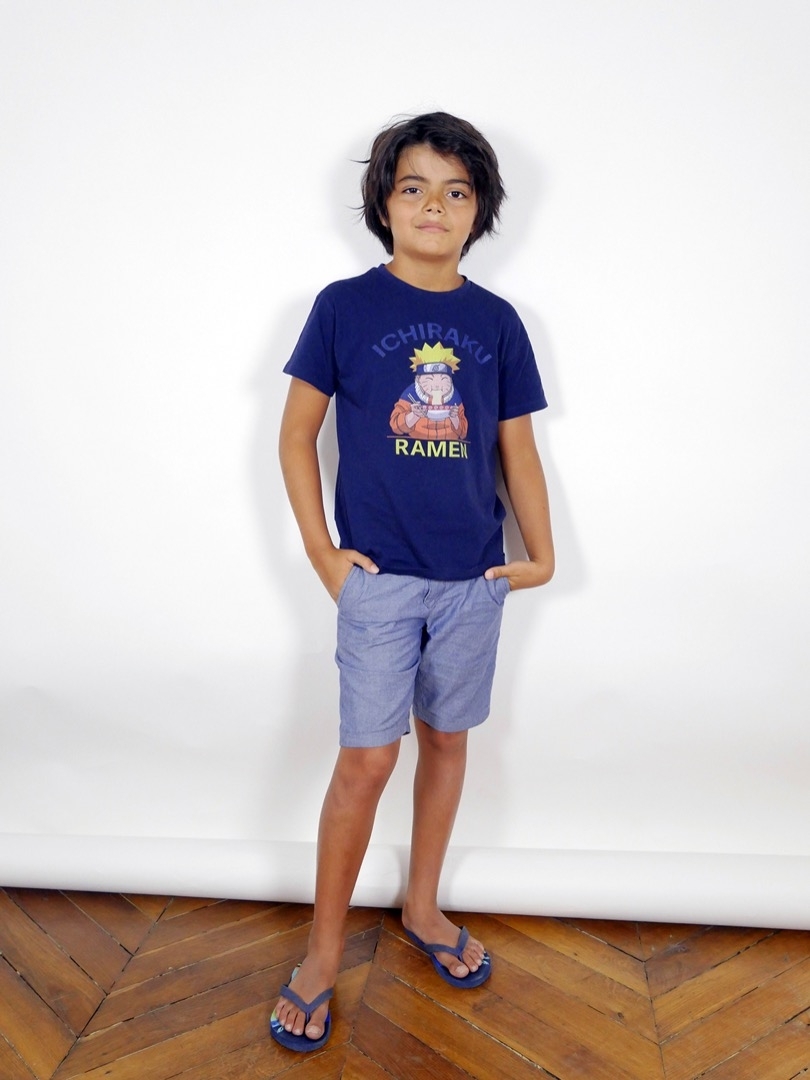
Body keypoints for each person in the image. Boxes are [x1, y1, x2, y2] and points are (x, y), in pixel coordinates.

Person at [271, 112, 554, 1052]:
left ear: (480, 210)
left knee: (446, 739)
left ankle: (422, 905)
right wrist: (323, 553)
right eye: (414, 187)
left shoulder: (498, 322)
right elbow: (296, 434)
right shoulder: (343, 307)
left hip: (474, 578)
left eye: (456, 190)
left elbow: (516, 448)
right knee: (366, 760)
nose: (435, 205)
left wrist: (541, 553)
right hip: (379, 581)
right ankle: (321, 953)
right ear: (384, 204)